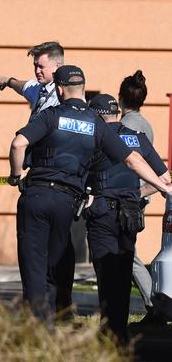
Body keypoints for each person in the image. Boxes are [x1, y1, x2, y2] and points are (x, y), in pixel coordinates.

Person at [7, 65, 172, 325]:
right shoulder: (101, 127)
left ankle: (38, 323)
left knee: (34, 264)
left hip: (41, 196)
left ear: (59, 89)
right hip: (79, 204)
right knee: (65, 261)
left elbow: (19, 144)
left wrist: (15, 176)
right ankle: (73, 317)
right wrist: (163, 188)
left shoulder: (51, 116)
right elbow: (134, 161)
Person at [0, 41, 76, 315]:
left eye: (41, 66)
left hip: (54, 177)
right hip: (44, 180)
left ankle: (56, 306)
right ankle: (52, 307)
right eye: (35, 65)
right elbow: (24, 85)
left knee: (52, 251)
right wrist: (7, 81)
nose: (37, 71)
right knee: (50, 248)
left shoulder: (60, 100)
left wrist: (15, 176)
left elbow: (20, 143)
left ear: (57, 66)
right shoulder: (40, 91)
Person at [84, 94, 169, 343]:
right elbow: (164, 177)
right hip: (130, 213)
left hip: (102, 211)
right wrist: (140, 193)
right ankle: (118, 329)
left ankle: (111, 330)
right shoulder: (138, 138)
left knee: (106, 271)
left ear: (97, 115)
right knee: (122, 270)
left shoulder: (95, 137)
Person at [118, 70, 166, 325]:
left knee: (127, 255)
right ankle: (153, 306)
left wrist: (138, 193)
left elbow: (130, 162)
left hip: (128, 197)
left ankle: (154, 305)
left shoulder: (128, 126)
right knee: (127, 253)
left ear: (120, 98)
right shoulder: (145, 124)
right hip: (135, 197)